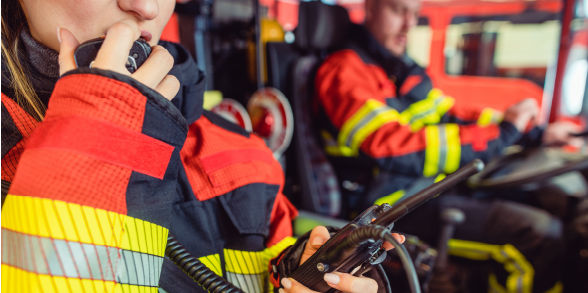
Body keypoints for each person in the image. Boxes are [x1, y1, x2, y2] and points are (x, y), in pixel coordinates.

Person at [0, 0, 404, 292]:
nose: (146, 7)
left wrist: (298, 272)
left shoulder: (243, 154)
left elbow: (256, 267)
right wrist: (99, 144)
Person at [313, 0, 583, 292]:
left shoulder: (396, 68)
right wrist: (504, 134)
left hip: (430, 187)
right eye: (398, 10)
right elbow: (396, 147)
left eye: (415, 13)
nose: (409, 24)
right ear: (370, 8)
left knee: (556, 198)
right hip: (392, 208)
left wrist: (529, 132)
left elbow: (450, 114)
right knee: (543, 237)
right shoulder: (344, 72)